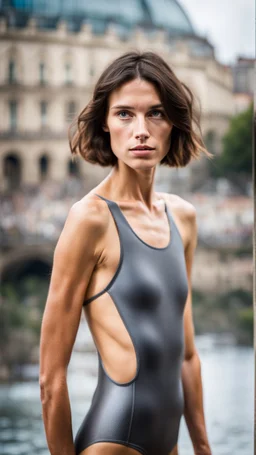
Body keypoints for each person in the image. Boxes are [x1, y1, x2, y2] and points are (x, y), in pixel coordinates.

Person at [39, 51, 212, 455]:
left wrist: (203, 448)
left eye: (155, 113)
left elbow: (186, 356)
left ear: (173, 123)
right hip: (114, 444)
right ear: (105, 122)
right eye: (124, 114)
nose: (141, 131)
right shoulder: (89, 221)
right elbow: (51, 378)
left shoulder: (183, 218)